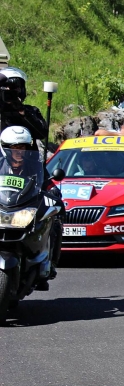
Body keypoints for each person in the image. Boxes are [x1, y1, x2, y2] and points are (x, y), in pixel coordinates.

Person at [0, 126, 63, 284]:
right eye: (14, 148)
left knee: (54, 219)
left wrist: (53, 192)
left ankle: (49, 263)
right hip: (3, 205)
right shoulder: (0, 164)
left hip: (24, 206)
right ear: (5, 149)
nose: (19, 152)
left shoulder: (34, 165)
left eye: (22, 148)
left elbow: (47, 183)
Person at [0, 67, 49, 143]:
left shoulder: (31, 111)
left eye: (15, 89)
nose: (10, 93)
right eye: (6, 90)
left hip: (25, 150)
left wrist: (24, 112)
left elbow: (42, 134)